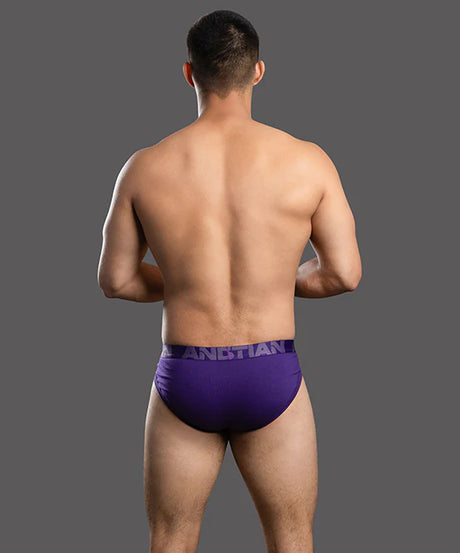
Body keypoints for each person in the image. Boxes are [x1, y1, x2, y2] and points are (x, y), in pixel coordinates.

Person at [97, 9, 361, 553]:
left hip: (186, 374)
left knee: (170, 539)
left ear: (189, 74)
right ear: (258, 71)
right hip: (272, 371)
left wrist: (187, 282)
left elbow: (116, 281)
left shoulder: (144, 167)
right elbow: (343, 273)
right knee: (292, 540)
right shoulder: (307, 162)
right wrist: (273, 280)